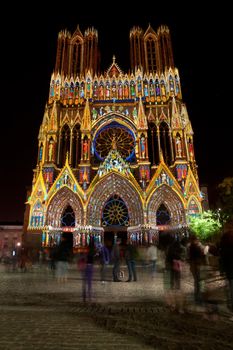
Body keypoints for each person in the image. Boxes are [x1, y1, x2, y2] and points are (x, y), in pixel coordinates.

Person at [219, 228, 233, 319]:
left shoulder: (224, 248)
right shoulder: (228, 248)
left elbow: (222, 260)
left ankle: (230, 305)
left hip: (229, 271)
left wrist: (222, 271)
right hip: (230, 270)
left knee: (230, 288)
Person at [187, 235, 205, 304]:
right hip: (196, 265)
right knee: (198, 281)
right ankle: (198, 298)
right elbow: (200, 255)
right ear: (194, 240)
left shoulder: (191, 246)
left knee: (197, 281)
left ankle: (197, 297)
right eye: (197, 239)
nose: (198, 240)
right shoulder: (195, 247)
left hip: (193, 265)